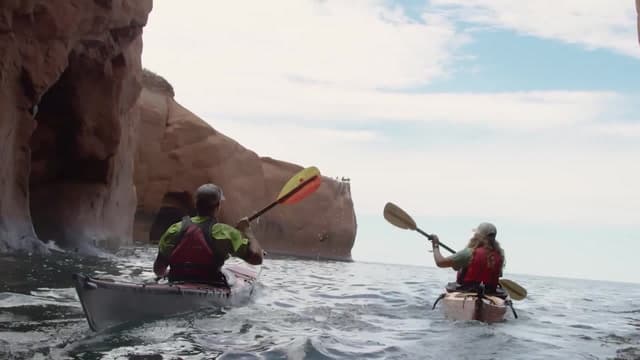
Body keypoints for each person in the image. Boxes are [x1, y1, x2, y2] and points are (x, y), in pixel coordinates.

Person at [153, 183, 264, 286]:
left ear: (196, 204)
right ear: (218, 206)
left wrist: (167, 274)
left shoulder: (175, 229)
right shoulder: (225, 232)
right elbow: (257, 258)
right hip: (210, 284)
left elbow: (158, 269)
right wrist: (247, 231)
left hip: (176, 282)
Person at [429, 222, 505, 293]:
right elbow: (498, 275)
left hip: (468, 291)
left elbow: (440, 262)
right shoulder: (499, 255)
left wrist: (435, 245)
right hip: (490, 292)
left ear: (478, 236)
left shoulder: (469, 252)